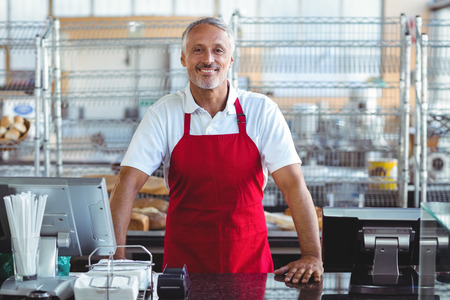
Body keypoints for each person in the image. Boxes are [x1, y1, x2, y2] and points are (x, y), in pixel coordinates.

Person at [109, 16, 323, 284]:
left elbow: (293, 185)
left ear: (230, 59)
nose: (208, 59)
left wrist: (313, 255)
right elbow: (127, 182)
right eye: (197, 49)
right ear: (184, 58)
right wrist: (115, 256)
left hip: (250, 267)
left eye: (218, 50)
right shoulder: (163, 113)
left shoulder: (261, 110)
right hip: (183, 269)